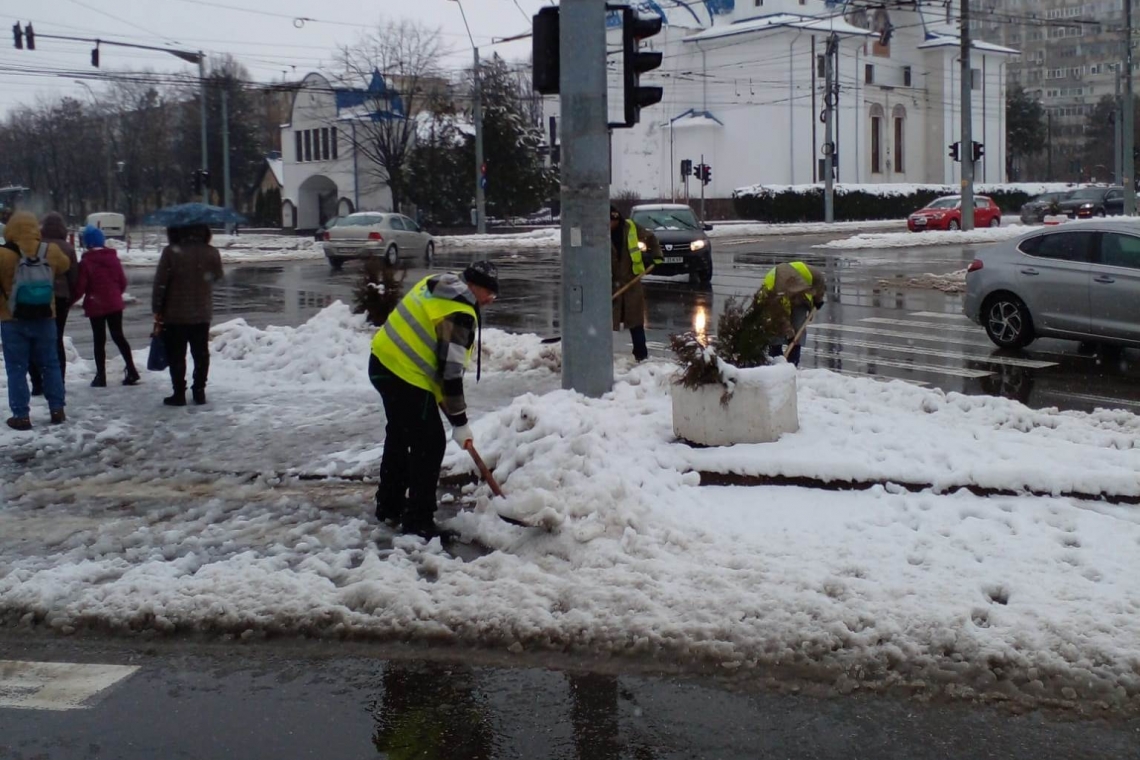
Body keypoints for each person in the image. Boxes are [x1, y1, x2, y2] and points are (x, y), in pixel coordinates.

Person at [368, 261, 499, 540]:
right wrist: (459, 422)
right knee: (430, 441)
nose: (490, 300)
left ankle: (389, 506)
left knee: (401, 433)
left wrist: (453, 415)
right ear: (473, 286)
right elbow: (450, 376)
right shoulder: (459, 314)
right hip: (403, 374)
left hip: (382, 362)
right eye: (488, 292)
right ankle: (418, 520)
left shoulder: (439, 284)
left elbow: (439, 369)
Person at [0, 210, 72, 430]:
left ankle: (21, 416)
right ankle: (57, 409)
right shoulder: (50, 250)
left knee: (16, 368)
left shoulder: (3, 254)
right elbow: (66, 265)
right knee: (50, 364)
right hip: (45, 316)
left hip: (11, 319)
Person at [151, 223, 224, 407]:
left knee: (177, 355)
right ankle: (199, 391)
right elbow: (217, 277)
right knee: (201, 354)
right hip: (201, 313)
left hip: (175, 314)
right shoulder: (211, 252)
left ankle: (179, 393)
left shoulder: (171, 252)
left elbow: (160, 283)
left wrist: (157, 308)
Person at [73, 225, 139, 387]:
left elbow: (80, 287)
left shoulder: (86, 262)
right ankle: (131, 369)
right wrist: (114, 294)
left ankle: (101, 376)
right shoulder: (113, 258)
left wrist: (69, 301)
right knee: (119, 336)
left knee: (99, 340)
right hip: (114, 304)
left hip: (96, 305)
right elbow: (122, 282)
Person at [28, 211, 79, 394]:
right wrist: (69, 297)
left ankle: (38, 383)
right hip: (61, 297)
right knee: (56, 339)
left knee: (36, 338)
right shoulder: (68, 248)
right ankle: (59, 381)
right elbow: (74, 278)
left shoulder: (38, 246)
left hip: (40, 296)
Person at [610, 205, 662, 362]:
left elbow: (651, 238)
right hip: (610, 284)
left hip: (631, 282)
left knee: (636, 321)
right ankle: (600, 354)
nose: (609, 224)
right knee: (604, 321)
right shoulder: (600, 232)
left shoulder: (630, 227)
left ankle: (641, 356)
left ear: (617, 218)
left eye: (611, 221)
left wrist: (657, 256)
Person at [759, 261, 827, 367]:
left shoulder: (812, 274)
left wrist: (817, 300)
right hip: (775, 300)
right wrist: (790, 334)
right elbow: (781, 318)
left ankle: (793, 364)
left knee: (798, 330)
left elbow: (820, 285)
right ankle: (775, 361)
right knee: (776, 332)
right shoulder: (775, 292)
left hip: (798, 296)